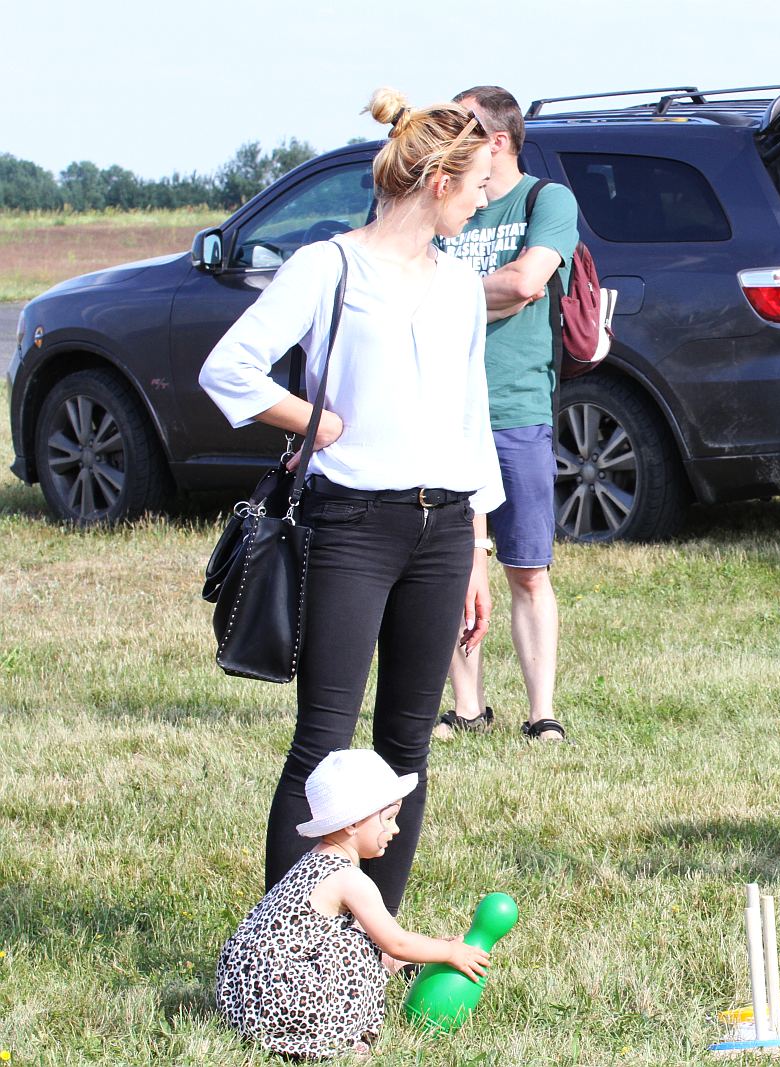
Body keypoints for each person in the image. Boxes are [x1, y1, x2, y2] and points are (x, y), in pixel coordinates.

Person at [200, 88, 503, 913]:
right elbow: (228, 370)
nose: (485, 198)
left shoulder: (462, 286)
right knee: (323, 748)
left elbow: (471, 421)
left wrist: (477, 550)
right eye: (478, 182)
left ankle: (369, 949)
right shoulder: (327, 266)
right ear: (438, 180)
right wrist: (315, 421)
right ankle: (291, 945)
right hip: (350, 528)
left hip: (444, 530)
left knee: (407, 749)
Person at [432, 84, 578, 744]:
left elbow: (526, 282)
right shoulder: (443, 204)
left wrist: (450, 293)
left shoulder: (546, 201)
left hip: (516, 409)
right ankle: (466, 709)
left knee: (525, 567)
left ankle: (541, 713)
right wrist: (485, 295)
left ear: (496, 141)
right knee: (448, 565)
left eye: (462, 133)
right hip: (441, 409)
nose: (448, 145)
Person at [215, 749, 490, 1059]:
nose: (396, 829)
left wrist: (431, 946)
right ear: (352, 823)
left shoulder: (311, 861)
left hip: (244, 1001)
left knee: (353, 933)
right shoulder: (351, 880)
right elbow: (394, 942)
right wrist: (450, 951)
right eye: (388, 818)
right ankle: (335, 1036)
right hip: (288, 1006)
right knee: (358, 946)